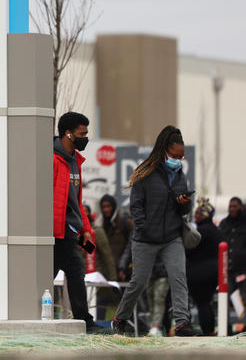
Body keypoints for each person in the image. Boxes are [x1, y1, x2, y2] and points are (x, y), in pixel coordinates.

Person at [111, 125, 199, 336]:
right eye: (176, 156)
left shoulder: (179, 176)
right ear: (166, 149)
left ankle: (182, 323)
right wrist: (143, 227)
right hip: (145, 238)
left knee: (178, 276)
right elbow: (136, 205)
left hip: (171, 236)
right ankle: (120, 319)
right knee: (138, 282)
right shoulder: (145, 172)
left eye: (182, 158)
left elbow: (185, 209)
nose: (179, 160)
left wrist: (184, 203)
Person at [53, 111, 101, 332]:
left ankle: (84, 321)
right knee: (71, 271)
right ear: (69, 134)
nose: (86, 138)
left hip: (69, 231)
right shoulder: (52, 159)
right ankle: (84, 321)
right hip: (55, 233)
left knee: (73, 272)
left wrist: (86, 229)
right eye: (83, 134)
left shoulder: (75, 162)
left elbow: (77, 202)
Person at [186, 199, 223, 336]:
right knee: (206, 303)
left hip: (199, 274)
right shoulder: (215, 230)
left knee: (202, 304)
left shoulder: (200, 231)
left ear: (206, 215)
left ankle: (207, 331)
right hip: (214, 272)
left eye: (199, 214)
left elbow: (188, 249)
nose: (196, 215)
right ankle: (211, 331)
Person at [218, 196, 246, 317]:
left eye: (235, 206)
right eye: (230, 206)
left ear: (241, 207)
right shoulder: (224, 223)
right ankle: (227, 328)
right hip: (227, 270)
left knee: (244, 298)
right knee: (226, 298)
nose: (232, 209)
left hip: (243, 269)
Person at [96, 194, 133, 281]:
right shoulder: (101, 225)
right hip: (108, 272)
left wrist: (124, 267)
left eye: (108, 206)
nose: (105, 209)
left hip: (124, 272)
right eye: (103, 207)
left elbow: (131, 247)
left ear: (113, 206)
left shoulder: (125, 223)